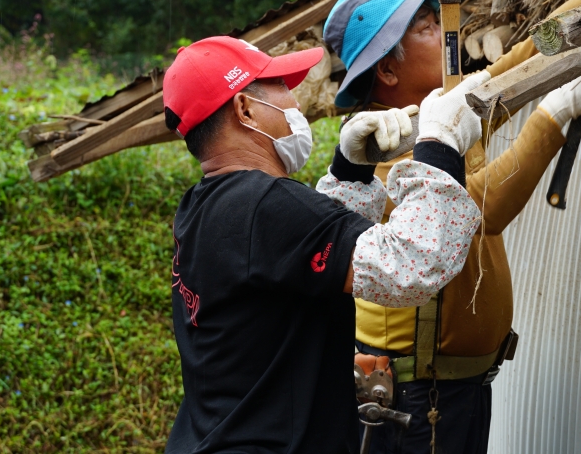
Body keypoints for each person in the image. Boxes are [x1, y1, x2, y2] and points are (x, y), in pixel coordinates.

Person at [322, 0, 581, 453]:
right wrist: (552, 118)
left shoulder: (443, 119)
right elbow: (481, 212)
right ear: (387, 71)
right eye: (428, 28)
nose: (448, 35)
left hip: (454, 390)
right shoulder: (379, 150)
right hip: (414, 397)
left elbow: (530, 55)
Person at [161, 35, 493, 453]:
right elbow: (413, 263)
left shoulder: (203, 207)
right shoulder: (266, 205)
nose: (295, 103)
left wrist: (350, 170)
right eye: (280, 89)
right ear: (244, 109)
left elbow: (301, 258)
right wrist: (439, 144)